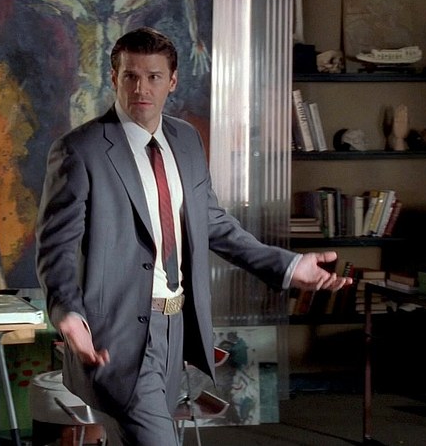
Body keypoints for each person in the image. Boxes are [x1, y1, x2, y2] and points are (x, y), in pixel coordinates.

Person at [36, 26, 351, 446]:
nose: (141, 88)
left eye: (153, 76)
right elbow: (55, 247)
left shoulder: (185, 140)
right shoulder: (81, 149)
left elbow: (213, 223)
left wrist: (289, 266)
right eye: (130, 76)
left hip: (176, 329)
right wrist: (67, 314)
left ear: (172, 81)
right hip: (117, 336)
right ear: (114, 78)